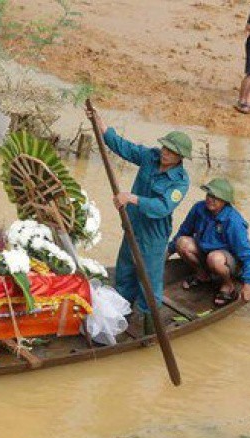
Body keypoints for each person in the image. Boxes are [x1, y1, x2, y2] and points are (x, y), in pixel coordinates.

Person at [86, 107, 191, 334]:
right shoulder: (150, 157)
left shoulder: (180, 181)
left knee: (149, 281)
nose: (165, 153)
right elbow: (124, 148)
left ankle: (148, 327)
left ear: (180, 157)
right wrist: (100, 123)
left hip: (154, 235)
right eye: (165, 148)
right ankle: (120, 314)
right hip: (133, 226)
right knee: (124, 270)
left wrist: (131, 198)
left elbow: (162, 207)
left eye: (171, 152)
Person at [168, 178, 250, 306]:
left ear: (225, 201)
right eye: (209, 195)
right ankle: (202, 275)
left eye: (216, 197)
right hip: (205, 252)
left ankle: (228, 285)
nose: (210, 199)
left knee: (214, 258)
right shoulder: (199, 208)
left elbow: (246, 254)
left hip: (227, 262)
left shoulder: (233, 221)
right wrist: (168, 252)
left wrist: (247, 286)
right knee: (182, 242)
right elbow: (184, 231)